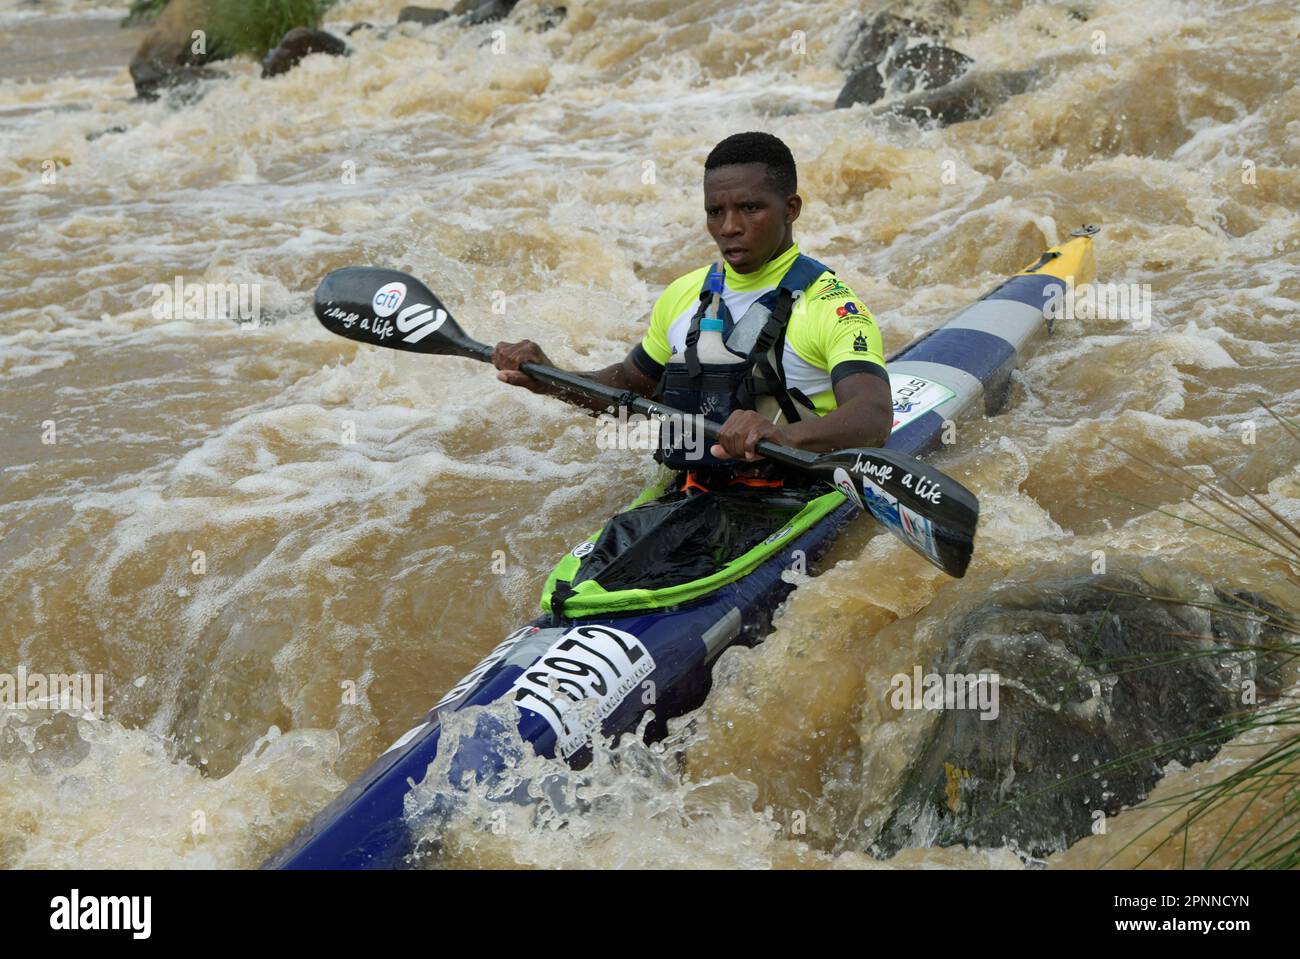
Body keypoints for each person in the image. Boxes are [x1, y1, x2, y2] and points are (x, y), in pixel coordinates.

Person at [493, 131, 892, 485]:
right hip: (696, 487)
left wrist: (782, 436)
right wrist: (552, 379)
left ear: (791, 209)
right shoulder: (684, 293)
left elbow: (873, 416)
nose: (729, 227)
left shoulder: (833, 306)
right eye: (715, 212)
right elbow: (631, 389)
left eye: (750, 208)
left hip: (795, 487)